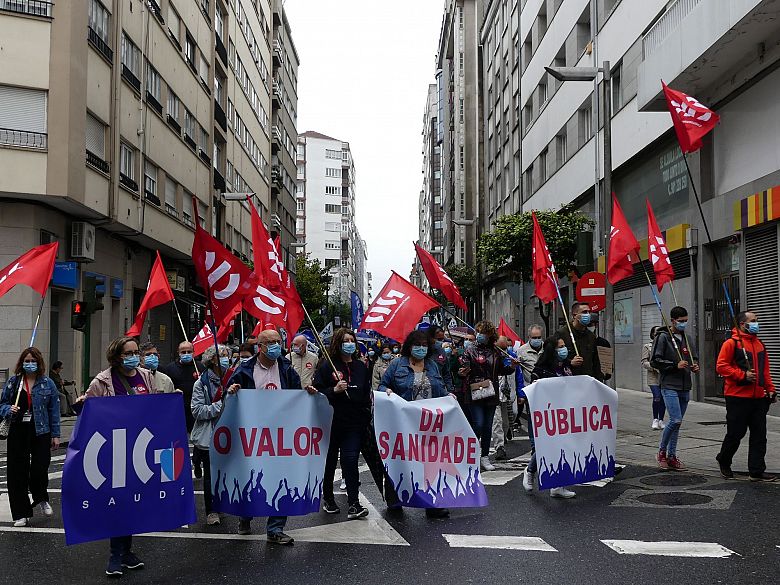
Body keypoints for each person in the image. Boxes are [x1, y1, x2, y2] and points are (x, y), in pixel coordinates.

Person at [226, 326, 317, 545]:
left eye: (278, 341)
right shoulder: (244, 370)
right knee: (250, 478)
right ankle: (245, 515)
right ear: (260, 347)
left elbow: (296, 395)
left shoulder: (286, 368)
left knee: (281, 478)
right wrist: (232, 392)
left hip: (280, 434)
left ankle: (275, 528)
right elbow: (229, 399)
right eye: (271, 342)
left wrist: (307, 394)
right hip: (252, 433)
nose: (276, 345)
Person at [84, 336, 158, 576]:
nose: (134, 357)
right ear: (117, 356)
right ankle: (116, 555)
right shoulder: (103, 381)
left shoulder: (146, 376)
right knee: (118, 502)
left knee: (132, 502)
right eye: (128, 353)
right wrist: (83, 403)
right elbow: (89, 411)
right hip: (114, 449)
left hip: (140, 448)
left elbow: (154, 406)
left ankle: (126, 552)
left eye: (136, 352)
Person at [379, 329, 452, 518]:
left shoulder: (432, 366)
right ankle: (395, 499)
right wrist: (387, 391)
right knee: (400, 460)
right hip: (403, 422)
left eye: (424, 345)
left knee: (430, 462)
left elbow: (440, 388)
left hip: (428, 423)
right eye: (417, 345)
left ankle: (432, 503)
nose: (421, 349)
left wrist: (448, 397)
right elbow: (382, 385)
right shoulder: (397, 365)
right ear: (409, 347)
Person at [313, 328, 372, 520]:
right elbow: (317, 393)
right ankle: (329, 499)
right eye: (346, 340)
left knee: (350, 460)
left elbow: (366, 393)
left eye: (352, 340)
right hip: (330, 422)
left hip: (354, 423)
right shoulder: (326, 366)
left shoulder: (361, 367)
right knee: (330, 461)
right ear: (338, 344)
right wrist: (334, 390)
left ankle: (354, 503)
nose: (349, 344)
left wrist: (365, 414)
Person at [0, 347, 60, 527]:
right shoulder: (14, 382)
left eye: (33, 361)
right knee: (17, 471)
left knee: (40, 468)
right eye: (27, 361)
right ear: (22, 363)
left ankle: (41, 497)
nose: (30, 364)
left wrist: (56, 435)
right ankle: (21, 513)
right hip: (18, 430)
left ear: (39, 363)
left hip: (41, 431)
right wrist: (8, 409)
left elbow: (54, 411)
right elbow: (2, 404)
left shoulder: (48, 383)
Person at [715, 311, 777, 481]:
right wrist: (743, 375)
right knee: (736, 433)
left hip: (758, 398)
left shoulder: (760, 344)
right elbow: (721, 366)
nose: (757, 324)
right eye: (753, 321)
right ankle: (724, 460)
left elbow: (765, 371)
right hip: (737, 397)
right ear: (742, 324)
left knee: (759, 435)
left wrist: (770, 389)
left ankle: (756, 471)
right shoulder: (731, 343)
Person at [459, 320, 517, 472]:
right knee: (478, 423)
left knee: (487, 426)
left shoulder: (495, 351)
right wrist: (463, 372)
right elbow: (463, 368)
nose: (480, 335)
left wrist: (512, 366)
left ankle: (484, 456)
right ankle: (470, 453)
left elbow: (501, 370)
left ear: (490, 335)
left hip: (490, 394)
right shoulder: (469, 350)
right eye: (478, 332)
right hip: (474, 393)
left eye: (483, 333)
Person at [526, 335, 576, 499]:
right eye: (560, 347)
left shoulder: (566, 366)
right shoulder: (542, 369)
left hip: (565, 413)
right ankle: (530, 470)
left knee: (564, 447)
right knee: (546, 446)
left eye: (564, 346)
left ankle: (558, 485)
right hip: (548, 414)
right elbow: (535, 388)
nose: (564, 349)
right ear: (551, 350)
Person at [651, 306, 699, 471]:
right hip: (669, 385)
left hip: (685, 385)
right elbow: (655, 361)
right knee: (675, 420)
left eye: (685, 321)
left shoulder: (687, 338)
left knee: (677, 424)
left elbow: (693, 358)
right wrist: (674, 365)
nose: (683, 324)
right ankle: (661, 452)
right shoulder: (663, 337)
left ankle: (672, 456)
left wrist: (694, 366)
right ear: (672, 321)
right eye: (680, 321)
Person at [191, 344, 230, 526]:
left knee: (226, 472)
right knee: (210, 474)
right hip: (210, 434)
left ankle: (222, 503)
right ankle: (211, 510)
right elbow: (197, 411)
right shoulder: (201, 384)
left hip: (230, 433)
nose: (227, 358)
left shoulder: (232, 379)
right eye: (223, 355)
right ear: (213, 360)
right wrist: (219, 406)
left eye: (227, 355)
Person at [162, 341, 201, 477]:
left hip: (196, 410)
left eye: (189, 351)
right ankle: (179, 466)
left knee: (198, 440)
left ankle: (197, 461)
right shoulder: (170, 369)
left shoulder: (199, 367)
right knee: (178, 439)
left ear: (193, 353)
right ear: (178, 353)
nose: (186, 354)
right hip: (178, 410)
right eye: (183, 352)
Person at [558, 302, 603, 381]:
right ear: (574, 315)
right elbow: (553, 357)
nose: (588, 315)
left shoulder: (591, 336)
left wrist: (599, 380)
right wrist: (570, 362)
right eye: (584, 312)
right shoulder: (562, 334)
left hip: (587, 380)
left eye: (589, 312)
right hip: (568, 381)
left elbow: (595, 361)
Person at [491, 336, 517, 461]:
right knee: (497, 420)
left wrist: (512, 366)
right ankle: (499, 446)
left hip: (507, 393)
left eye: (505, 348)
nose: (502, 351)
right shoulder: (491, 356)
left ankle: (505, 435)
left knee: (506, 420)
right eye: (500, 348)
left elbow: (515, 374)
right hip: (494, 393)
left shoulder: (510, 356)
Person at [641, 327, 665, 430]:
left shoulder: (665, 345)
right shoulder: (647, 346)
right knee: (657, 396)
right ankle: (655, 419)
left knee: (663, 398)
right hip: (653, 377)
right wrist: (654, 367)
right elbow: (644, 362)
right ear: (652, 334)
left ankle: (661, 420)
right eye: (656, 332)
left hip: (664, 377)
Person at [427, 325, 454, 393]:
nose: (440, 342)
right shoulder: (423, 351)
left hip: (441, 389)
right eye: (438, 340)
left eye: (442, 340)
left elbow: (446, 373)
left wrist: (450, 390)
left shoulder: (441, 351)